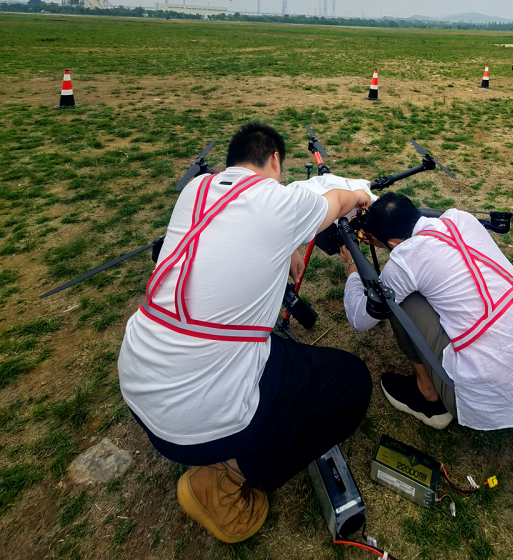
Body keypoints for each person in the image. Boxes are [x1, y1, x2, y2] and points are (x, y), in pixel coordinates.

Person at [118, 123, 373, 544]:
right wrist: (360, 194)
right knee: (351, 382)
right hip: (190, 421)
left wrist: (286, 246)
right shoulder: (278, 201)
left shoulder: (196, 190)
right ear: (274, 160)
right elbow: (337, 200)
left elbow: (232, 232)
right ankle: (223, 481)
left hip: (138, 383)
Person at [341, 193, 513, 431]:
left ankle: (427, 396)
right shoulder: (461, 218)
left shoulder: (404, 262)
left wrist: (352, 267)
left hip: (487, 401)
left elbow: (360, 319)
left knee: (400, 301)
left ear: (394, 244)